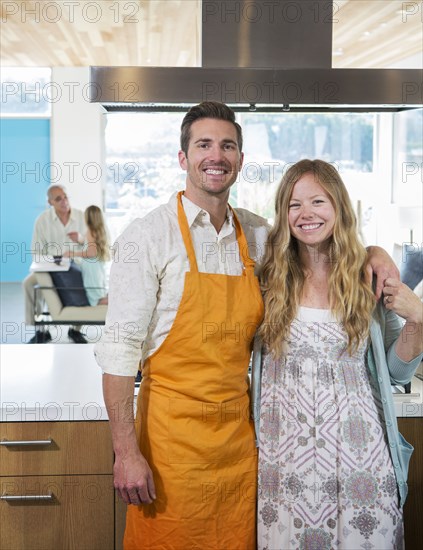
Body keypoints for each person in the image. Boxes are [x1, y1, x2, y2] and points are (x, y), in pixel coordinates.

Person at [94, 103, 399, 550]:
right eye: (203, 145)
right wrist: (126, 453)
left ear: (239, 159)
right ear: (183, 158)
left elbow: (320, 235)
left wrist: (374, 250)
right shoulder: (148, 237)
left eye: (228, 145)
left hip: (241, 450)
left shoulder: (258, 236)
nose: (216, 155)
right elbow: (119, 356)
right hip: (169, 450)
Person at [252, 159, 423, 550]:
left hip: (360, 464)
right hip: (285, 466)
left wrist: (419, 318)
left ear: (339, 208)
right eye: (294, 205)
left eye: (318, 201)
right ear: (283, 213)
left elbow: (396, 372)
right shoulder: (267, 278)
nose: (306, 213)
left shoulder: (369, 279)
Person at [23, 184, 88, 343]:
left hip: (77, 266)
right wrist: (49, 263)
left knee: (85, 281)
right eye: (58, 199)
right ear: (50, 202)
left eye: (65, 197)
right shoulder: (42, 220)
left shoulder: (82, 217)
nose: (64, 201)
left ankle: (75, 329)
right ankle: (40, 330)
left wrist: (80, 239)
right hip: (50, 267)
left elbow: (92, 246)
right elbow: (36, 251)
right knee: (28, 284)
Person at [64, 205, 110, 306]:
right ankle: (117, 299)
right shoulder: (99, 230)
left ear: (88, 217)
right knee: (99, 294)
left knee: (96, 300)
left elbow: (92, 252)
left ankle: (119, 301)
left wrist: (73, 254)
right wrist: (80, 239)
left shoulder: (90, 231)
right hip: (97, 267)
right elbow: (91, 245)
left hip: (91, 270)